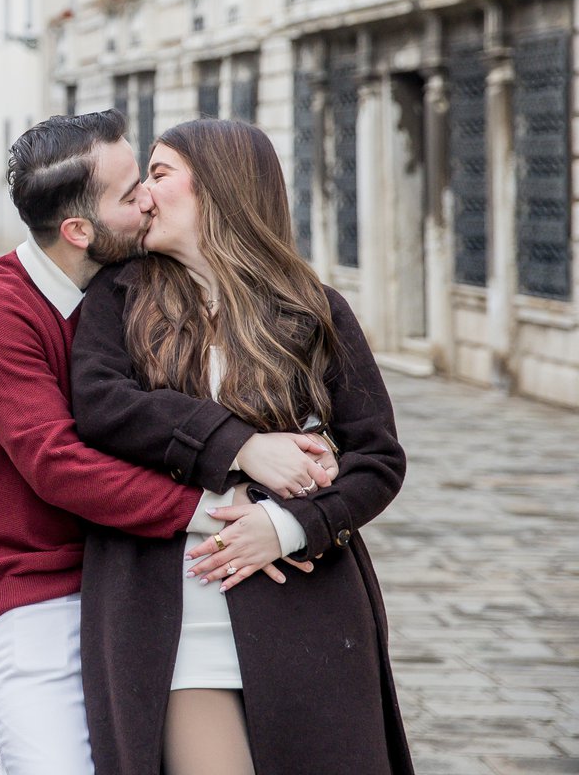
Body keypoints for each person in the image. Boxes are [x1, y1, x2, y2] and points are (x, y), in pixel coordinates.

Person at [0, 112, 334, 774]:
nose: (150, 197)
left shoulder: (134, 292)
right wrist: (232, 510)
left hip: (135, 577)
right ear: (79, 231)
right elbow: (57, 464)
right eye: (131, 194)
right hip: (33, 589)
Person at [70, 118, 412, 775]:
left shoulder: (314, 310)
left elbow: (378, 459)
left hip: (306, 612)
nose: (143, 193)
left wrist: (284, 526)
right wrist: (240, 446)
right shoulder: (120, 298)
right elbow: (102, 408)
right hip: (171, 612)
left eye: (160, 174)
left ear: (220, 188)